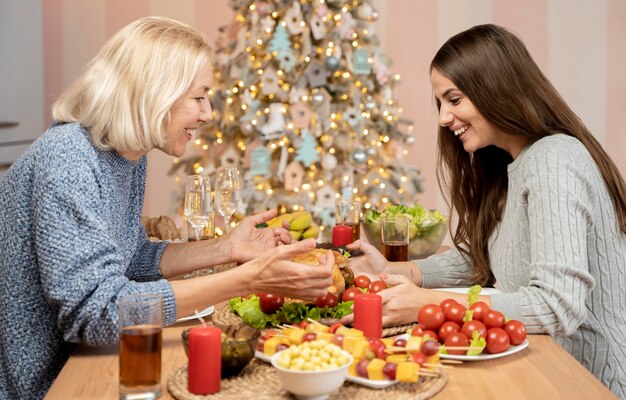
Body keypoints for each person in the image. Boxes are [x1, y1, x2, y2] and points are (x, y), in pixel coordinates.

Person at [0, 17, 334, 399]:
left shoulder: (125, 155)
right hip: (44, 385)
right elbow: (99, 314)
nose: (208, 114)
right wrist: (249, 278)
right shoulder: (69, 160)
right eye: (198, 97)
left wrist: (225, 248)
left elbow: (132, 258)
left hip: (84, 361)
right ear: (155, 92)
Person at [343, 24, 625, 397]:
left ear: (496, 88)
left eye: (454, 99)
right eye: (440, 103)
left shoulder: (553, 159)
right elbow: (483, 258)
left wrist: (426, 303)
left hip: (582, 382)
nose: (444, 118)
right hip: (535, 367)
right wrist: (396, 270)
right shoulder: (509, 163)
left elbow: (557, 306)